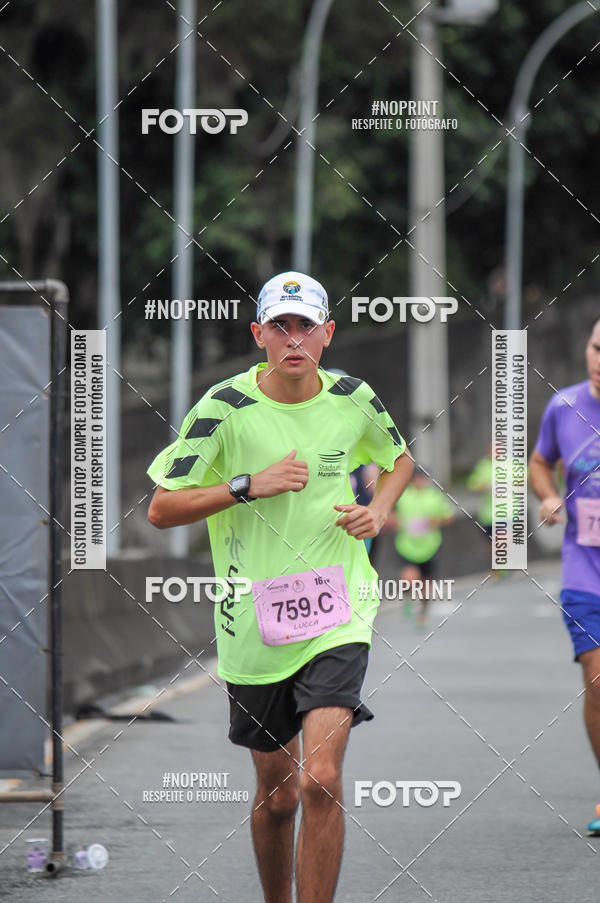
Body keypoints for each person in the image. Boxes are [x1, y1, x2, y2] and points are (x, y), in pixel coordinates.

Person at [146, 271, 413, 903]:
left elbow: (398, 458)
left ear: (328, 334)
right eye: (280, 326)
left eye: (306, 326)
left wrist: (378, 510)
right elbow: (162, 507)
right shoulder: (224, 408)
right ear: (258, 334)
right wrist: (245, 485)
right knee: (278, 795)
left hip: (338, 608)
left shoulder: (354, 397)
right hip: (254, 624)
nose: (294, 338)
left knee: (321, 778)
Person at [529, 315, 600, 835]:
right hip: (585, 569)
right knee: (597, 682)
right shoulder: (565, 405)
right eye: (596, 348)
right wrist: (549, 495)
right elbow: (539, 462)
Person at [389, 468, 454, 627]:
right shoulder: (403, 496)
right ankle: (408, 598)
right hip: (407, 545)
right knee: (408, 577)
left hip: (430, 546)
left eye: (424, 478)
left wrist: (434, 522)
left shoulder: (435, 497)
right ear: (413, 480)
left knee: (426, 584)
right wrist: (395, 522)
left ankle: (423, 614)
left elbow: (448, 517)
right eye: (418, 478)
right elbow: (390, 515)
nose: (421, 481)